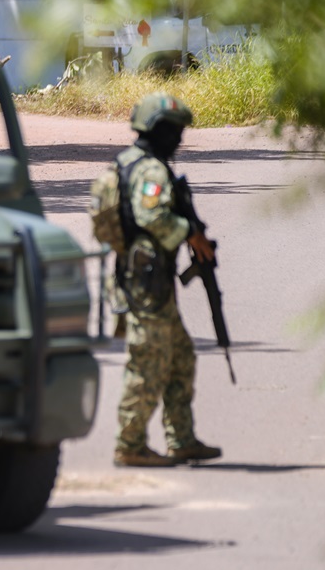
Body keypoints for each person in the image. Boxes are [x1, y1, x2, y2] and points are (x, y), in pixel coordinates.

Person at [111, 93, 221, 468]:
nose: (179, 140)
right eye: (174, 132)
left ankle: (181, 439)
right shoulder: (152, 171)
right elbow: (152, 217)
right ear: (158, 131)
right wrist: (190, 231)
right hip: (146, 282)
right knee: (147, 363)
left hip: (150, 279)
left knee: (180, 358)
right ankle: (130, 444)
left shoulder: (138, 162)